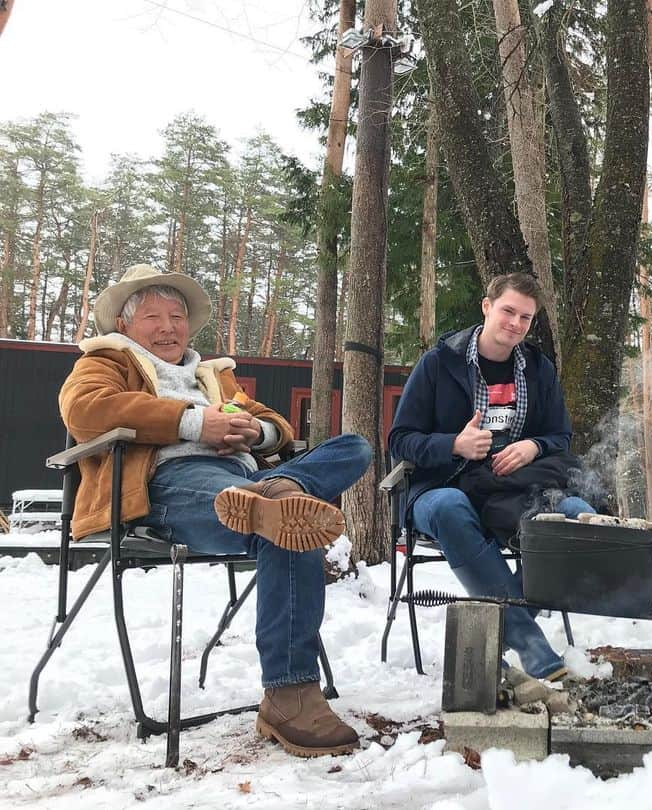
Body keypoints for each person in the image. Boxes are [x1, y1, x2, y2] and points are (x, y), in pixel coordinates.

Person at [59, 263, 373, 757]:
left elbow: (271, 420)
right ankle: (290, 692)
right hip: (166, 484)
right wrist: (191, 423)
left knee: (354, 447)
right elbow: (85, 412)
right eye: (154, 318)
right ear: (124, 325)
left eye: (177, 316)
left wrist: (257, 432)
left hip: (247, 478)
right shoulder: (104, 363)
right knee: (290, 526)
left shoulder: (212, 374)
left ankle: (279, 494)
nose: (168, 327)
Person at [388, 273, 595, 681]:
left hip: (509, 491)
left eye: (525, 317)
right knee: (450, 507)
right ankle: (531, 644)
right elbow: (400, 439)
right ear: (487, 307)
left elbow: (560, 436)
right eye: (508, 311)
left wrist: (533, 447)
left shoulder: (538, 369)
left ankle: (488, 639)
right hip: (439, 488)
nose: (515, 323)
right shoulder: (439, 364)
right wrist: (453, 445)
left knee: (576, 516)